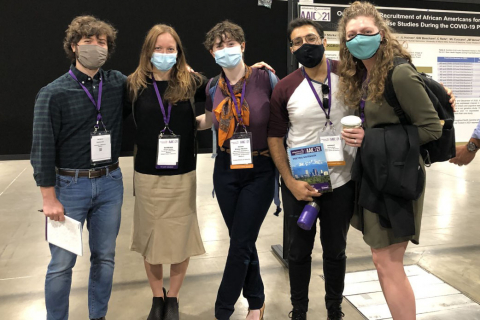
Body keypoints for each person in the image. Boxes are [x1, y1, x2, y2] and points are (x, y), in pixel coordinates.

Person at [337, 2, 443, 319]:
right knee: (381, 259)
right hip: (377, 174)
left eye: (366, 32)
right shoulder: (364, 76)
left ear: (381, 35)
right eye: (351, 35)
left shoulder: (399, 74)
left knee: (389, 262)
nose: (358, 39)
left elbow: (431, 128)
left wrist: (371, 139)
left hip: (399, 177)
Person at [31, 16, 125, 320]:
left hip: (110, 183)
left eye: (102, 42)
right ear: (74, 46)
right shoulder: (53, 93)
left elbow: (156, 82)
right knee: (61, 264)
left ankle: (98, 316)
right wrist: (48, 198)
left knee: (105, 258)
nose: (96, 47)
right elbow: (42, 149)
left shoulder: (116, 83)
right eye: (89, 41)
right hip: (69, 188)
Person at [267, 18, 363, 320]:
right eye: (297, 42)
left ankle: (335, 310)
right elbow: (274, 138)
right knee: (298, 253)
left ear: (324, 40)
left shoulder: (348, 76)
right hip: (302, 183)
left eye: (311, 38)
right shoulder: (285, 88)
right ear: (292, 48)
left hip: (342, 181)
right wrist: (289, 181)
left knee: (336, 251)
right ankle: (299, 311)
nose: (305, 45)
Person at [126, 24, 209, 320]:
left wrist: (257, 71)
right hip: (147, 175)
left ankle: (172, 297)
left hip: (182, 174)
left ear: (178, 52)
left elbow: (226, 88)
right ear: (148, 52)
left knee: (179, 237)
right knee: (151, 240)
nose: (164, 54)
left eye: (170, 49)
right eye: (158, 48)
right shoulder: (133, 85)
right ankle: (155, 297)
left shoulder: (191, 82)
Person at [203, 20, 278, 320]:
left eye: (231, 42)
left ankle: (222, 310)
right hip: (225, 168)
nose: (226, 49)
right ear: (212, 52)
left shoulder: (266, 78)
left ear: (243, 46)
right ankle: (257, 302)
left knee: (241, 242)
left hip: (259, 168)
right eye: (219, 45)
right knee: (241, 239)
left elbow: (285, 116)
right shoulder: (212, 86)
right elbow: (208, 120)